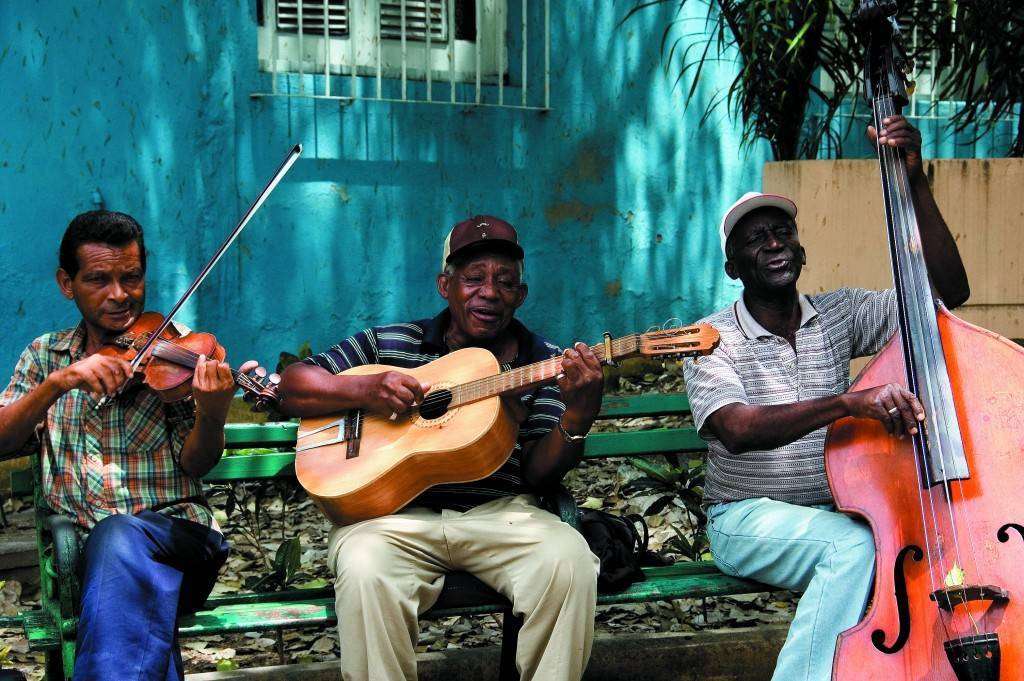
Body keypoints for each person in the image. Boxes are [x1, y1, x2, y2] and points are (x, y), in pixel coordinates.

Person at [682, 116, 970, 681]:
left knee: (906, 545)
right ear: (732, 266)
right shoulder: (711, 337)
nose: (773, 244)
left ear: (800, 248)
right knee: (856, 549)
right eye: (754, 239)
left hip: (835, 511)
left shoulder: (837, 315)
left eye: (781, 232)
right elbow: (738, 429)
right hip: (743, 519)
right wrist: (845, 405)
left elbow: (943, 293)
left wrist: (913, 180)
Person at [278, 215, 603, 681]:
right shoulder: (389, 343)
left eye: (505, 282)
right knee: (364, 567)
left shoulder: (543, 360)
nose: (489, 292)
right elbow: (294, 386)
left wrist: (577, 416)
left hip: (504, 514)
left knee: (569, 561)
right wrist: (366, 392)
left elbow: (537, 475)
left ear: (521, 295)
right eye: (473, 279)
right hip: (390, 517)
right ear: (444, 285)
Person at [0, 210, 258, 681]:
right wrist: (57, 384)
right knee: (120, 570)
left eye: (131, 277)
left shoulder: (174, 355)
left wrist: (214, 412)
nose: (120, 295)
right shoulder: (45, 356)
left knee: (119, 535)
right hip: (85, 559)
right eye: (99, 279)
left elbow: (196, 464)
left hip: (180, 545)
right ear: (67, 283)